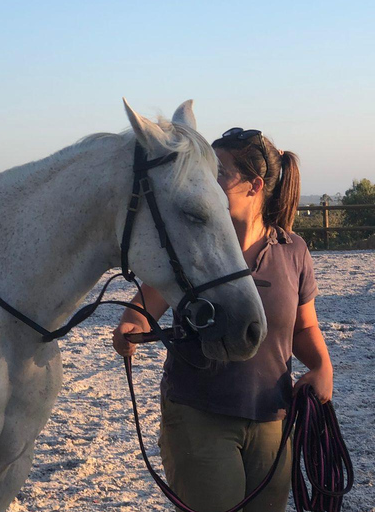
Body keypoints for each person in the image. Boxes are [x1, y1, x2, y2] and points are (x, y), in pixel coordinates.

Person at [112, 128, 333, 512]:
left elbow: (304, 327)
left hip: (272, 418)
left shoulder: (293, 250)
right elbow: (144, 307)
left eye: (219, 172)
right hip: (198, 414)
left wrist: (322, 367)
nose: (206, 180)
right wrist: (132, 326)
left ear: (255, 185)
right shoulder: (193, 246)